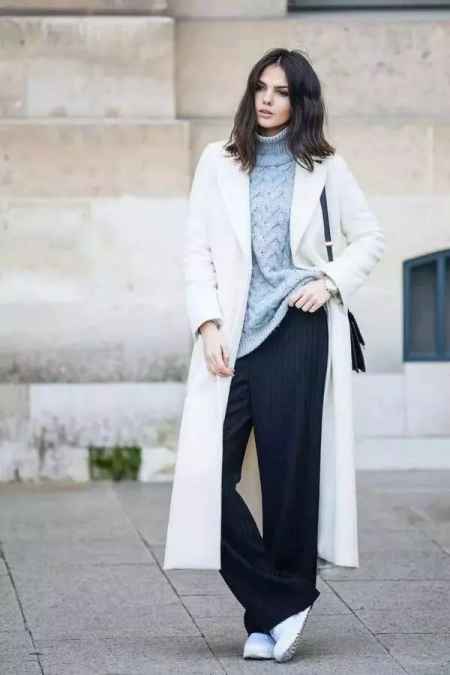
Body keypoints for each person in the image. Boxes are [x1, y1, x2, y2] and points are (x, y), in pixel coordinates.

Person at [163, 47, 385, 664]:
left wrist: (330, 281)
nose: (267, 99)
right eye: (261, 87)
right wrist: (206, 322)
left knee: (290, 480)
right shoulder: (219, 160)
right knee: (206, 477)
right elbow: (197, 249)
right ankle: (279, 600)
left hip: (297, 328)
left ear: (300, 101)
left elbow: (369, 237)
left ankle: (269, 621)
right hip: (231, 338)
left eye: (282, 91)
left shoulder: (324, 165)